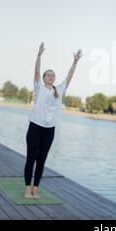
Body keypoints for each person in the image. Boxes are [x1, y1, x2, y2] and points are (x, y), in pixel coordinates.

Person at [24, 42, 83, 199]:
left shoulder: (60, 90)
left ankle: (35, 189)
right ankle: (27, 188)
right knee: (31, 158)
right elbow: (36, 72)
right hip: (35, 127)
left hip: (49, 130)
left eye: (53, 75)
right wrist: (39, 55)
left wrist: (75, 62)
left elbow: (69, 76)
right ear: (43, 79)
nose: (51, 77)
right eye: (48, 75)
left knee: (41, 159)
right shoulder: (39, 88)